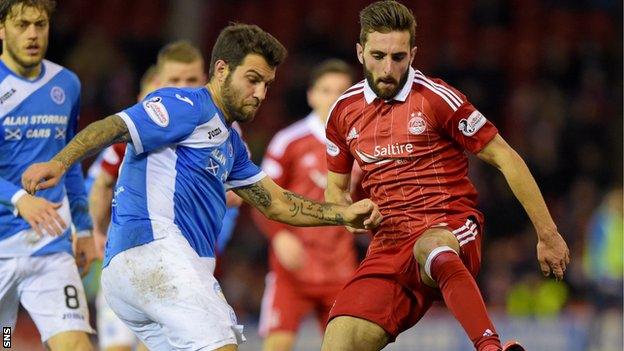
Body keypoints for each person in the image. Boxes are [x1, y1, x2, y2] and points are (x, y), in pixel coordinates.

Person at [21, 23, 382, 351]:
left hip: (161, 270)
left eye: (267, 84)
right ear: (222, 69)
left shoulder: (231, 143)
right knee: (220, 346)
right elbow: (114, 126)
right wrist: (60, 161)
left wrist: (343, 213)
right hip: (154, 252)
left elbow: (277, 203)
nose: (259, 93)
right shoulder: (186, 104)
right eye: (252, 79)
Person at [320, 2, 570, 351]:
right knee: (338, 342)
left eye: (398, 57)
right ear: (359, 52)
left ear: (413, 53)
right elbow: (335, 194)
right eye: (378, 56)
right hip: (388, 248)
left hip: (449, 228)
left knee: (432, 246)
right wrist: (349, 215)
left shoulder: (437, 99)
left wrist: (548, 233)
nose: (388, 68)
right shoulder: (343, 112)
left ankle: (490, 347)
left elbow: (506, 158)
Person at [0, 1, 95, 350]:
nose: (32, 35)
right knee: (5, 341)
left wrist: (84, 229)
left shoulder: (66, 85)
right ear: (1, 29)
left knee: (74, 344)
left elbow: (67, 162)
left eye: (40, 24)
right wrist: (19, 199)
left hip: (49, 248)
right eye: (22, 25)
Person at [253, 59, 358, 351]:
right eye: (326, 90)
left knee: (346, 346)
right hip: (293, 266)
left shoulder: (363, 144)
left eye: (341, 90)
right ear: (312, 95)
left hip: (340, 268)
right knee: (278, 344)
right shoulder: (288, 141)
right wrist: (280, 236)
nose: (333, 98)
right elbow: (261, 195)